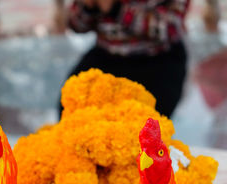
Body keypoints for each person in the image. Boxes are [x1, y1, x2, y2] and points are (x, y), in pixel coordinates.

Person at [61, 0, 190, 118]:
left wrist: (115, 8)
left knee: (146, 125)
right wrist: (88, 7)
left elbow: (170, 28)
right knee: (71, 108)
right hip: (107, 55)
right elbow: (76, 26)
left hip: (158, 62)